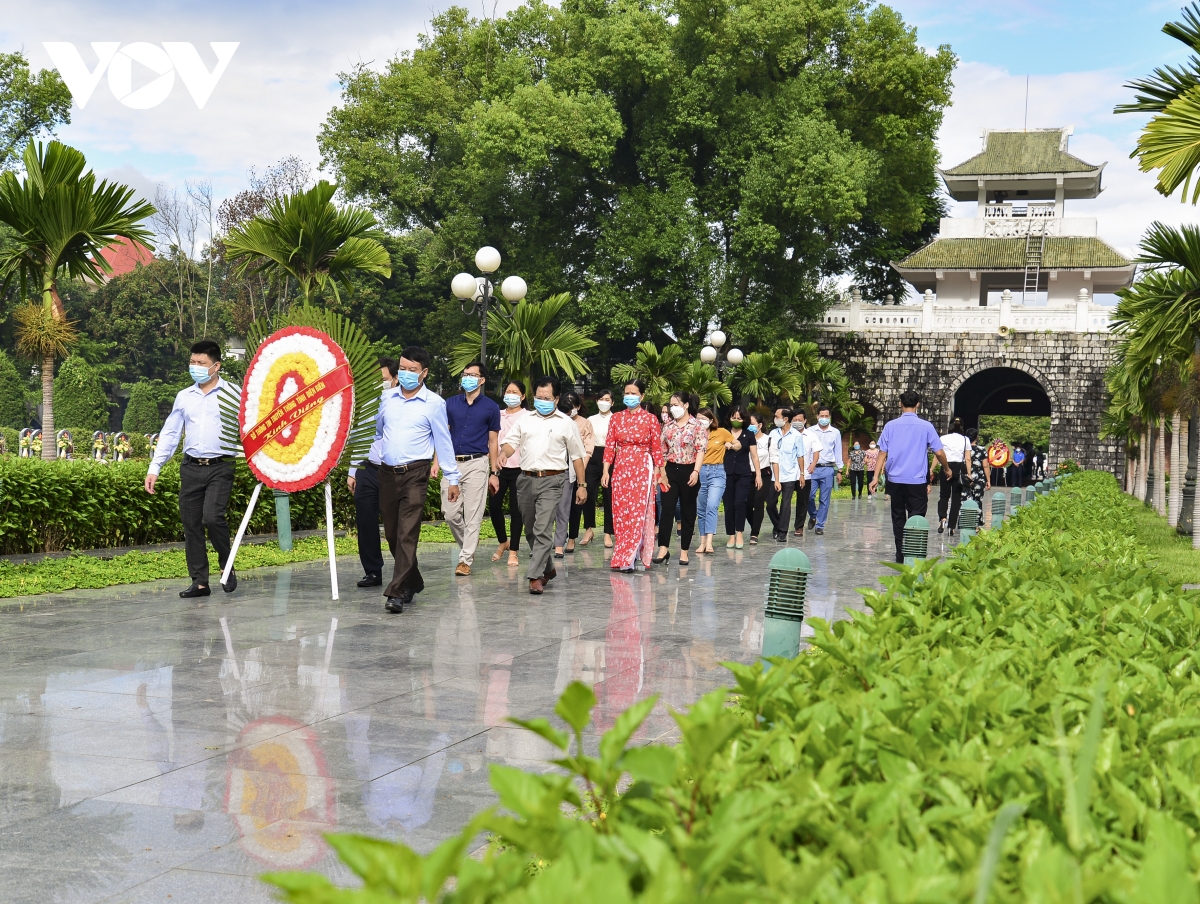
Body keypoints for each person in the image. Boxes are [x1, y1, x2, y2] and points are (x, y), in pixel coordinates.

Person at [144, 339, 242, 598]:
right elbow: (170, 433)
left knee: (212, 517)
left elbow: (249, 429)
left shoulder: (234, 394)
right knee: (191, 524)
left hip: (221, 466)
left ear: (216, 366)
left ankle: (227, 564)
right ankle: (199, 581)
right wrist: (155, 466)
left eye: (202, 363)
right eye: (192, 362)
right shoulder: (184, 397)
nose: (195, 367)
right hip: (191, 467)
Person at [376, 346, 460, 613]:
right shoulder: (386, 399)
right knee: (391, 534)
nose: (405, 374)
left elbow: (443, 443)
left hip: (416, 474)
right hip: (387, 474)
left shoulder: (435, 404)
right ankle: (413, 580)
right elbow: (379, 432)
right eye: (402, 368)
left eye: (412, 370)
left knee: (406, 533)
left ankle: (397, 592)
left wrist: (452, 477)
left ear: (423, 373)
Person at [498, 376, 587, 593]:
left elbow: (577, 456)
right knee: (530, 528)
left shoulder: (566, 423)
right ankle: (548, 568)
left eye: (547, 397)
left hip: (553, 479)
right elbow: (511, 442)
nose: (542, 400)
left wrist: (582, 484)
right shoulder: (525, 419)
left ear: (556, 399)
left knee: (542, 527)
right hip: (526, 478)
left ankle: (534, 576)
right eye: (538, 397)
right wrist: (503, 453)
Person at [870, 390, 949, 564]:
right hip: (917, 481)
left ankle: (900, 553)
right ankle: (914, 551)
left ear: (900, 403)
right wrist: (947, 468)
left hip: (895, 480)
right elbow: (940, 452)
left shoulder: (890, 426)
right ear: (918, 404)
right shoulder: (926, 426)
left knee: (898, 517)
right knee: (917, 516)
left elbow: (882, 453)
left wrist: (875, 477)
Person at [441, 361, 501, 577]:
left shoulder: (491, 407)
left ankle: (465, 559)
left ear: (482, 380)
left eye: (472, 375)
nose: (467, 378)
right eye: (465, 374)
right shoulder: (449, 403)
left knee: (473, 515)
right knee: (449, 513)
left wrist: (494, 473)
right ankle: (468, 547)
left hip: (477, 462)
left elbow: (493, 441)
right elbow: (443, 435)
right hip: (452, 464)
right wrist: (436, 462)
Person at [601, 380, 667, 572]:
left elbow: (657, 449)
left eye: (634, 393)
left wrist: (659, 473)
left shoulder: (650, 419)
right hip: (621, 467)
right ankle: (622, 553)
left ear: (642, 396)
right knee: (622, 512)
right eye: (627, 392)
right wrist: (606, 470)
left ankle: (629, 557)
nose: (629, 396)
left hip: (642, 467)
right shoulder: (616, 419)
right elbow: (609, 446)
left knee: (638, 512)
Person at [347, 358, 398, 587]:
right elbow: (358, 437)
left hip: (393, 471)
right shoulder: (367, 404)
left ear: (395, 380)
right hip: (367, 469)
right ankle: (373, 571)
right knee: (365, 520)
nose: (379, 384)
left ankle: (404, 570)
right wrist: (352, 471)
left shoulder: (403, 405)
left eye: (384, 380)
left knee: (394, 524)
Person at [655, 392, 705, 565]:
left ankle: (684, 551)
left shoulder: (697, 425)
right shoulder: (668, 426)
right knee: (667, 508)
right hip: (670, 469)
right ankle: (663, 547)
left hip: (689, 470)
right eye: (671, 405)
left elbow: (700, 450)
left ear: (685, 405)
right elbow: (660, 451)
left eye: (676, 404)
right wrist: (660, 473)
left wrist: (696, 471)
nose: (672, 408)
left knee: (687, 511)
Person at [490, 380, 529, 567]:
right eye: (507, 391)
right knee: (494, 506)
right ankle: (502, 541)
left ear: (523, 396)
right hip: (499, 468)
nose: (510, 395)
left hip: (520, 469)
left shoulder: (528, 416)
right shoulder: (497, 414)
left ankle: (513, 550)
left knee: (516, 511)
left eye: (515, 392)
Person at [554, 391, 594, 557]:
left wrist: (580, 472)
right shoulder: (557, 422)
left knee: (572, 507)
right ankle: (553, 541)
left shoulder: (585, 424)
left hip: (578, 467)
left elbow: (586, 450)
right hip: (557, 467)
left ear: (578, 406)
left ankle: (570, 538)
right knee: (555, 508)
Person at [722, 405, 762, 549]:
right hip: (726, 473)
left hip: (743, 473)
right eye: (734, 417)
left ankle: (739, 533)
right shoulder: (724, 433)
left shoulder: (749, 435)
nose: (736, 420)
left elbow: (755, 456)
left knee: (740, 503)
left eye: (739, 418)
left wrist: (758, 475)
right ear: (729, 418)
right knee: (728, 505)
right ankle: (731, 535)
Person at [695, 408, 729, 555]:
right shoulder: (694, 434)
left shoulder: (721, 432)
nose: (700, 421)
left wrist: (731, 445)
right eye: (698, 418)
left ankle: (709, 542)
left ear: (710, 420)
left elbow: (738, 444)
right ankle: (702, 542)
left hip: (717, 472)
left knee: (712, 505)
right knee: (701, 508)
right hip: (700, 472)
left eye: (703, 418)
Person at [769, 409, 807, 542]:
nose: (775, 419)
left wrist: (802, 474)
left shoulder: (796, 435)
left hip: (790, 474)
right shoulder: (773, 433)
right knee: (770, 504)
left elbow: (800, 455)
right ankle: (778, 524)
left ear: (785, 419)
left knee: (785, 504)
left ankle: (782, 532)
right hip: (774, 475)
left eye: (777, 416)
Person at [804, 407, 843, 536]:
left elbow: (838, 452)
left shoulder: (835, 432)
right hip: (812, 468)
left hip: (828, 468)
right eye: (822, 415)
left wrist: (839, 470)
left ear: (830, 417)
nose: (824, 418)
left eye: (827, 416)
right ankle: (814, 515)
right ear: (817, 416)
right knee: (809, 496)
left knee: (824, 499)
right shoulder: (810, 431)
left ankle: (820, 525)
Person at [585, 390, 615, 549]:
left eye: (607, 399)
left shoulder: (616, 419)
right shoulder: (590, 419)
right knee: (588, 493)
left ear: (612, 403)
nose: (604, 402)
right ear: (596, 401)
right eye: (601, 399)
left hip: (610, 456)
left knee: (609, 495)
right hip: (592, 456)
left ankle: (608, 533)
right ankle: (589, 529)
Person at [935, 417, 971, 534]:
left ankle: (942, 518)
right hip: (959, 468)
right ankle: (952, 526)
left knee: (944, 496)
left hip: (946, 467)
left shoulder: (943, 438)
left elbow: (938, 455)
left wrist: (931, 469)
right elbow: (968, 458)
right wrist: (969, 474)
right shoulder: (966, 440)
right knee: (956, 498)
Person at [748, 413, 775, 544]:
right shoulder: (744, 438)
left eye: (752, 423)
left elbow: (774, 460)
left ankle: (755, 533)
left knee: (758, 502)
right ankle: (755, 524)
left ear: (760, 425)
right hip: (747, 475)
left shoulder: (768, 440)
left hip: (764, 474)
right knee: (747, 504)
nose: (749, 426)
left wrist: (778, 479)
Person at [966, 427, 988, 510]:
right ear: (977, 437)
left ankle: (965, 518)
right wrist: (988, 480)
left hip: (966, 477)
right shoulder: (981, 449)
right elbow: (985, 466)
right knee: (978, 500)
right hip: (979, 478)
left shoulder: (964, 449)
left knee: (965, 499)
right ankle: (977, 518)